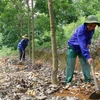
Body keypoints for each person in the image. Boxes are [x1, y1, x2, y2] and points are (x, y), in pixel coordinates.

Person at [65, 15, 100, 88]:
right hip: (73, 47)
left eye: (94, 26)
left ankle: (88, 80)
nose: (92, 28)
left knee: (86, 63)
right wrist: (88, 56)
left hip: (82, 47)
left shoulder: (92, 30)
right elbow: (82, 44)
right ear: (87, 24)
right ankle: (68, 81)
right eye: (91, 25)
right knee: (70, 65)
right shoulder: (81, 30)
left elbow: (89, 38)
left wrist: (88, 43)